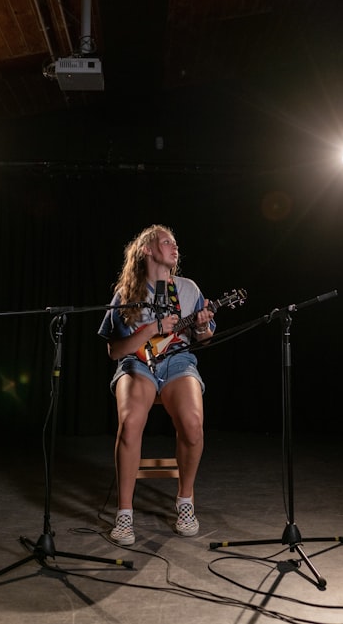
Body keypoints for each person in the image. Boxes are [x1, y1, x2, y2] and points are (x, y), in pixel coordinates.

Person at [98, 224, 216, 546]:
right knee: (131, 422)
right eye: (166, 242)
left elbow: (205, 338)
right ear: (148, 249)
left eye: (175, 243)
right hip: (137, 363)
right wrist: (151, 329)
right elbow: (115, 351)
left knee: (193, 425)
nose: (174, 247)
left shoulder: (188, 289)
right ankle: (124, 513)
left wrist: (204, 327)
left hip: (178, 362)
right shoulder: (127, 295)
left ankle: (185, 501)